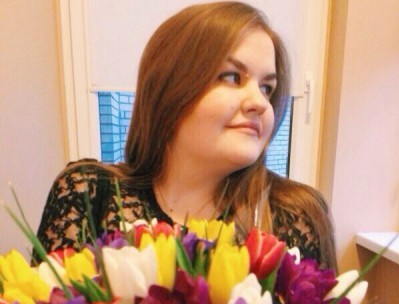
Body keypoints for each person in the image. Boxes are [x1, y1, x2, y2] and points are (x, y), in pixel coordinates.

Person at [35, 1, 337, 272]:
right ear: (170, 88)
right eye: (232, 77)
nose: (260, 102)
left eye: (267, 88)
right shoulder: (89, 194)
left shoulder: (298, 214)